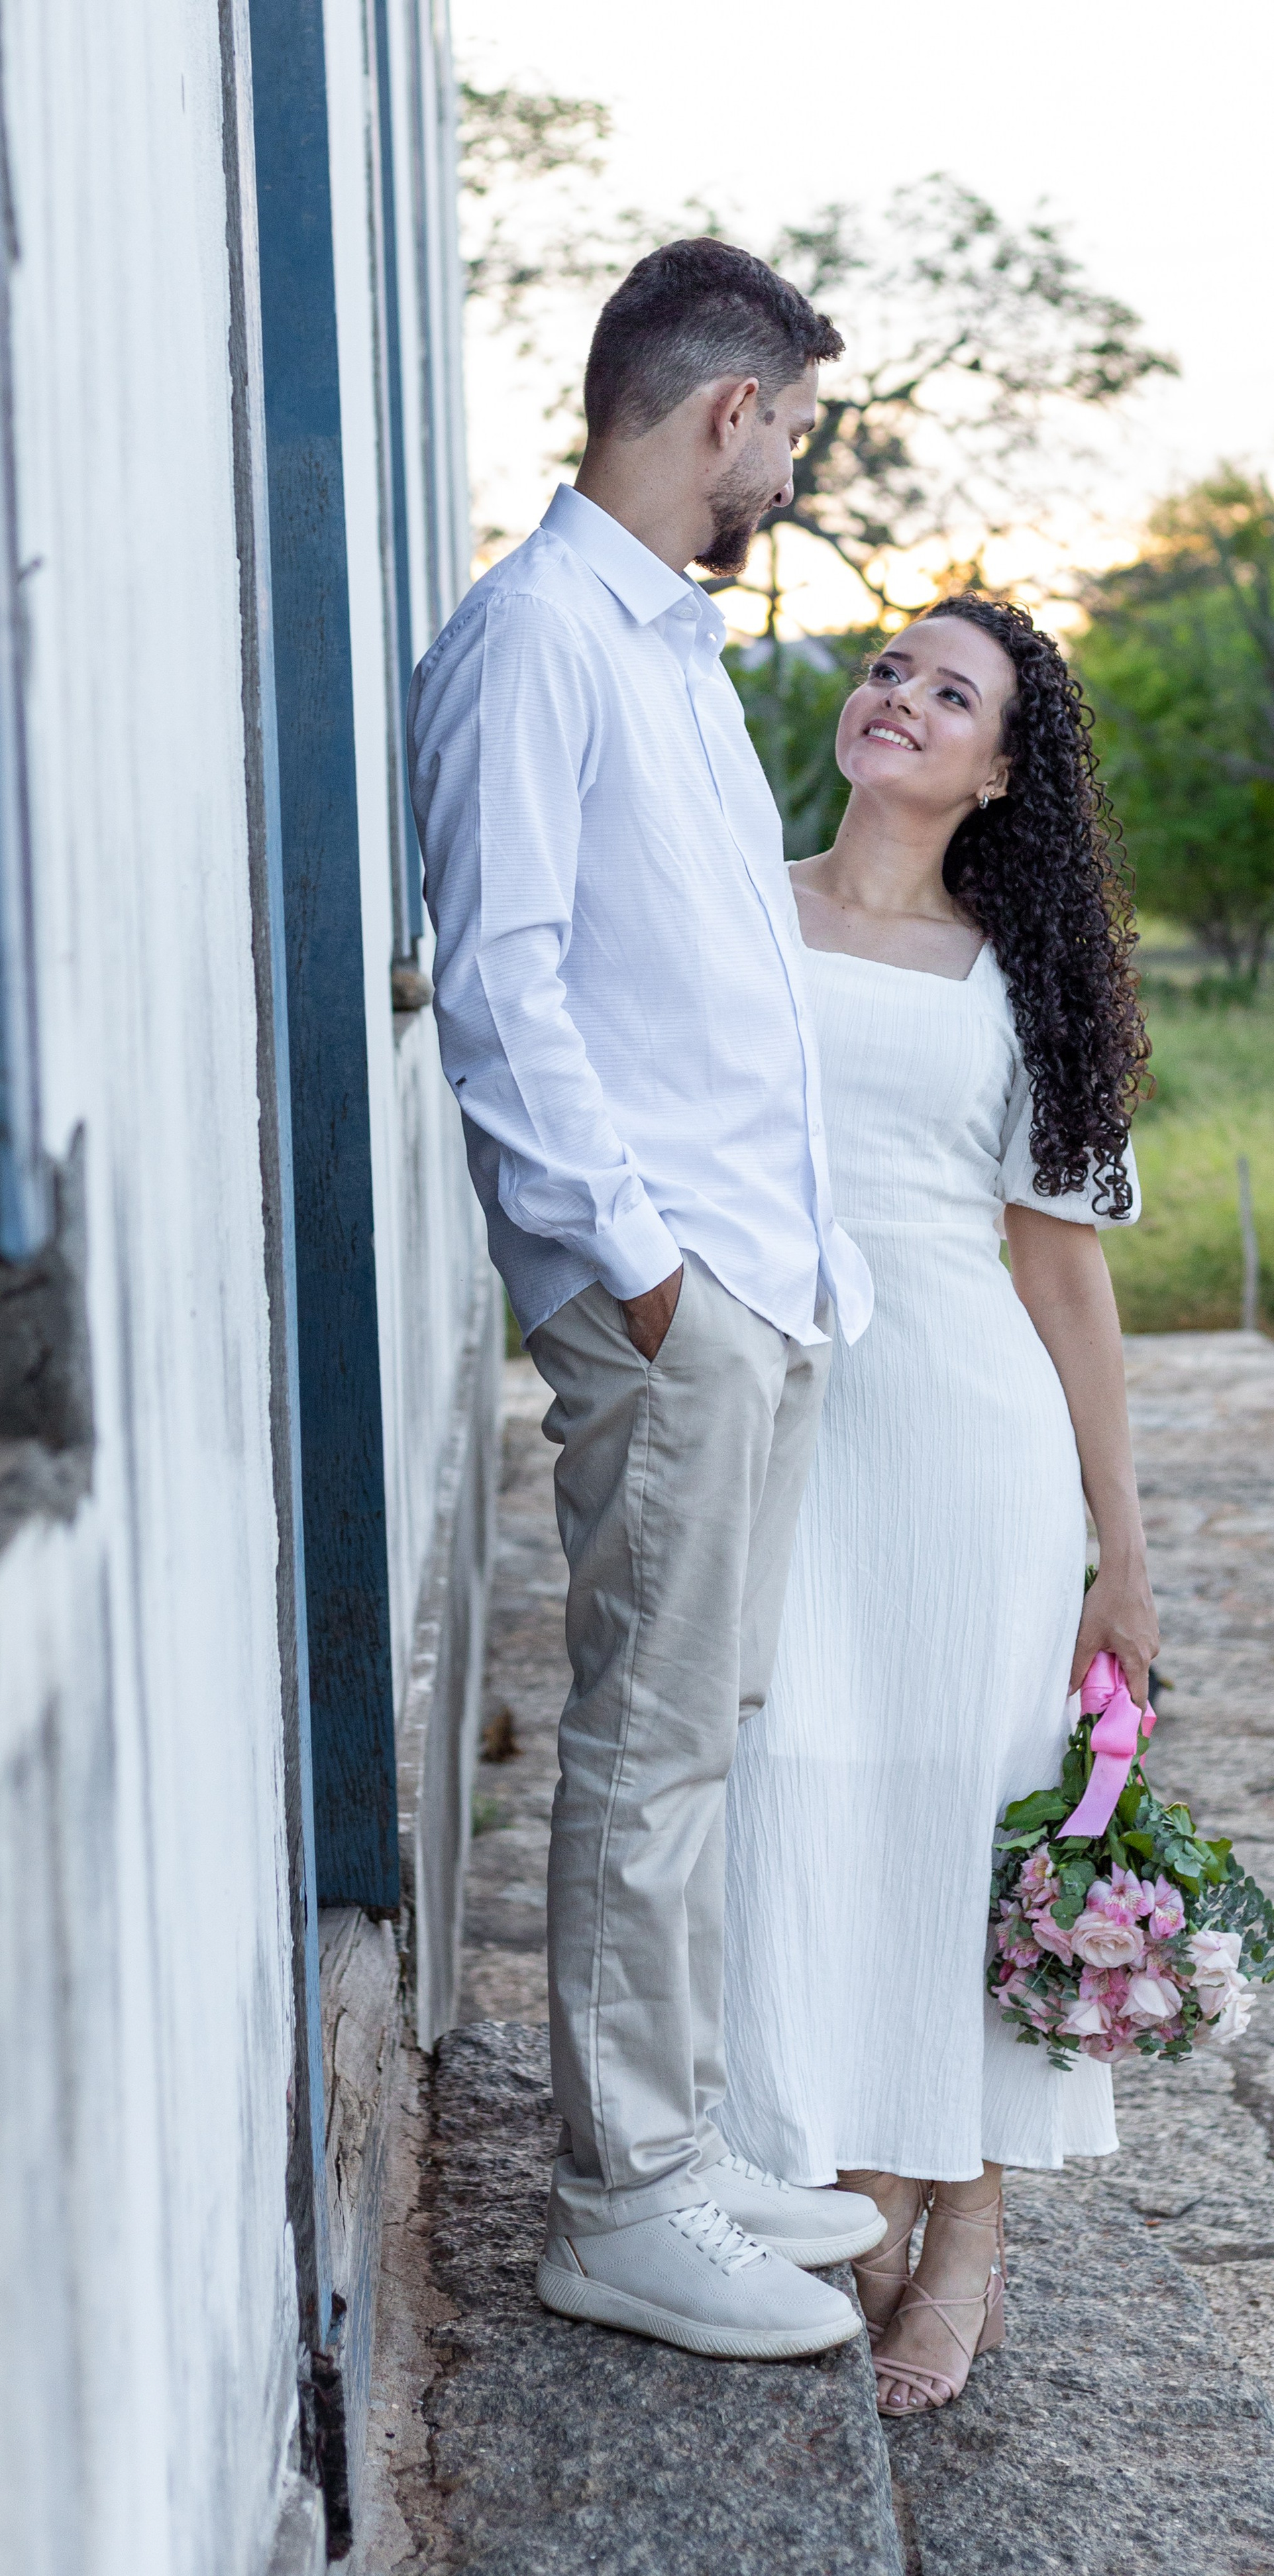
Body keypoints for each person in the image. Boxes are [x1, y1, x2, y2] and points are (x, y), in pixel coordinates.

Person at [409, 239, 889, 2363]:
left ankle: (678, 2143)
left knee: (706, 1728)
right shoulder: (535, 642)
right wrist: (641, 1265)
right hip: (668, 1288)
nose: (788, 457)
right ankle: (621, 2200)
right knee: (650, 1736)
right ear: (724, 413)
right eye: (788, 422)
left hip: (753, 1281)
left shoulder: (670, 646)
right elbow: (498, 981)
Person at [717, 597, 1158, 2413]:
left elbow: (1062, 1278)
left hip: (967, 1449)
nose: (900, 697)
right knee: (792, 1784)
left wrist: (1120, 1546)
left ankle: (957, 2226)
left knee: (957, 1821)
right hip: (777, 1424)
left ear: (996, 772)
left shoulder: (1018, 978)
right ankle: (834, 2181)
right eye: (891, 665)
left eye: (950, 691)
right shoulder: (739, 901)